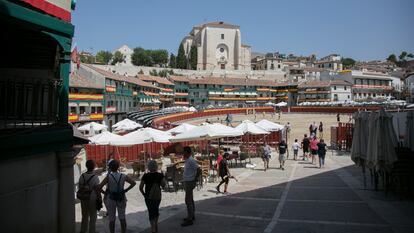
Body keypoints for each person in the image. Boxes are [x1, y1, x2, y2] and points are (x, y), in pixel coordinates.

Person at [98, 160, 136, 233]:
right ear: (118, 167)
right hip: (121, 197)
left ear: (110, 168)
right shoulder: (123, 176)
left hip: (111, 199)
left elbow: (99, 187)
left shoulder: (108, 177)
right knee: (122, 218)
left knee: (112, 219)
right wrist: (126, 190)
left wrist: (105, 193)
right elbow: (133, 183)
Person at [140, 160, 166, 233]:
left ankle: (153, 228)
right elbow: (164, 186)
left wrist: (144, 194)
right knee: (156, 209)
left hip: (148, 196)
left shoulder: (145, 175)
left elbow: (140, 187)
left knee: (150, 211)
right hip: (157, 196)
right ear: (156, 166)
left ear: (148, 167)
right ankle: (155, 225)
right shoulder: (160, 175)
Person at [78, 160, 100, 233]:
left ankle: (83, 230)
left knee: (84, 215)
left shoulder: (82, 176)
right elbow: (97, 190)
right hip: (92, 198)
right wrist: (99, 198)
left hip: (84, 197)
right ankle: (92, 231)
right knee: (93, 216)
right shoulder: (95, 177)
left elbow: (80, 187)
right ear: (93, 167)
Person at [181, 146, 199, 227]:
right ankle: (191, 216)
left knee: (187, 200)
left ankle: (190, 219)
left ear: (187, 152)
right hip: (188, 181)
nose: (182, 153)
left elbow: (199, 170)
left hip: (190, 182)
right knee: (190, 199)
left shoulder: (191, 160)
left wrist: (195, 180)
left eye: (183, 151)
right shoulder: (188, 160)